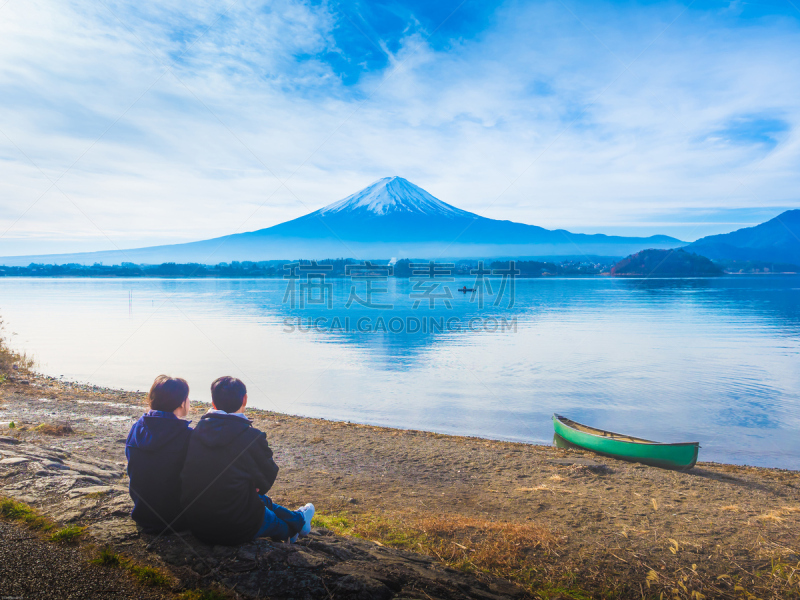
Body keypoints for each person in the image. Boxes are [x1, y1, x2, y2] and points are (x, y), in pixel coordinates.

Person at [180, 376, 314, 546]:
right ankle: (295, 527)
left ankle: (300, 519)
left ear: (213, 403)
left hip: (197, 523)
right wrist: (254, 484)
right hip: (236, 526)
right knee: (281, 526)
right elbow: (267, 476)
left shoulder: (196, 432)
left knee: (246, 493)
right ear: (245, 399)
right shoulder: (252, 437)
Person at [125, 375, 193, 534]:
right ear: (181, 402)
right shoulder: (187, 436)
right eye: (187, 397)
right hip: (178, 519)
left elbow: (133, 467)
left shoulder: (136, 429)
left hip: (142, 514)